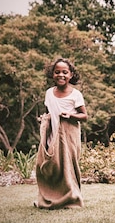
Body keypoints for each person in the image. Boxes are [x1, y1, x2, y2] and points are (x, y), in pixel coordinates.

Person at [35, 57, 88, 209]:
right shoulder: (49, 93)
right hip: (53, 136)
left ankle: (72, 199)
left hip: (70, 137)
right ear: (52, 74)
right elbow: (48, 111)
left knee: (68, 167)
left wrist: (70, 116)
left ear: (71, 75)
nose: (61, 75)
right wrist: (44, 119)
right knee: (51, 166)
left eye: (65, 72)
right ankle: (52, 197)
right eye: (57, 72)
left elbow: (84, 116)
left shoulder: (75, 94)